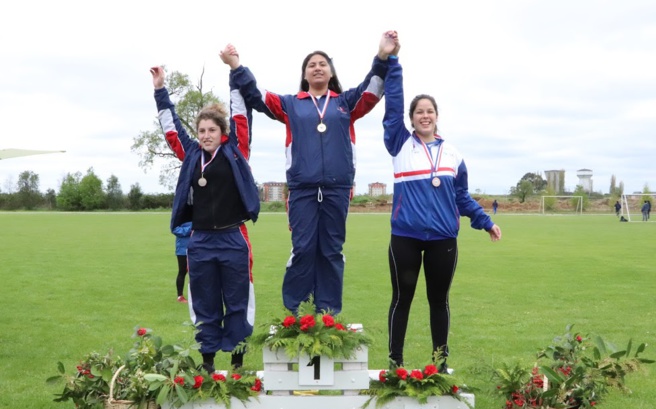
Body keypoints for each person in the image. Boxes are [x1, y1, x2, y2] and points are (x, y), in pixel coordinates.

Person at [242, 31, 399, 315]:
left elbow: (373, 89)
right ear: (304, 74)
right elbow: (257, 95)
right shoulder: (291, 104)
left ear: (330, 72)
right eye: (311, 64)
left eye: (322, 64)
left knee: (331, 251)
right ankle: (296, 312)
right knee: (302, 249)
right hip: (302, 189)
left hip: (337, 189)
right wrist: (237, 67)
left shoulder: (345, 103)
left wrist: (382, 56)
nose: (317, 67)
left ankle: (327, 313)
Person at [382, 48, 502, 371]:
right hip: (405, 237)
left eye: (429, 111)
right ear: (411, 119)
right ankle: (396, 362)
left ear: (437, 116)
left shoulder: (453, 155)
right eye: (419, 111)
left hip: (443, 239)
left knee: (439, 301)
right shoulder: (399, 144)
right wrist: (393, 63)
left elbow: (461, 197)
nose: (424, 115)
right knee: (401, 300)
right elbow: (392, 106)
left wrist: (484, 220)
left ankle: (440, 362)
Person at [150, 45, 260, 372]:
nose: (206, 135)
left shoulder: (236, 150)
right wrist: (160, 90)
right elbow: (170, 128)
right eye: (201, 131)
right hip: (200, 242)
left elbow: (240, 111)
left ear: (222, 133)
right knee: (204, 302)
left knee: (238, 302)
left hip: (233, 239)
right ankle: (208, 363)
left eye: (212, 130)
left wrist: (234, 69)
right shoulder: (191, 156)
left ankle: (238, 361)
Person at [172, 221, 192, 303]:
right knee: (182, 271)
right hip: (182, 249)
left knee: (196, 272)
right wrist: (191, 228)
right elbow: (175, 230)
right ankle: (180, 296)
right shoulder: (180, 216)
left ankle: (195, 295)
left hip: (197, 248)